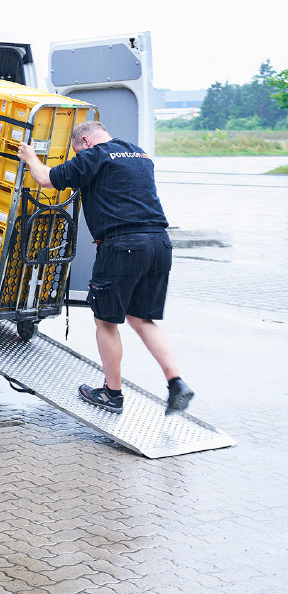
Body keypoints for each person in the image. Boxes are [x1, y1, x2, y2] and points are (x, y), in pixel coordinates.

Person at [17, 120, 194, 415]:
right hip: (160, 244)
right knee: (141, 319)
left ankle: (112, 394)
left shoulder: (93, 156)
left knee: (105, 322)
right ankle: (176, 383)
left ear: (85, 141)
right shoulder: (139, 154)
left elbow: (46, 179)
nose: (78, 155)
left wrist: (29, 157)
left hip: (123, 246)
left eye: (77, 150)